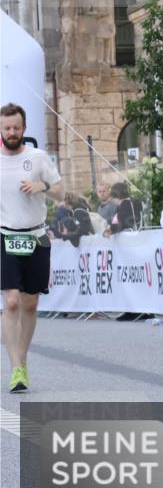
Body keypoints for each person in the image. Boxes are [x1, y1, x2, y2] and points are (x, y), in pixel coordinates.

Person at [1, 103, 63, 392]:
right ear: (1, 130)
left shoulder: (37, 157)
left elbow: (61, 190)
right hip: (5, 236)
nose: (12, 132)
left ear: (24, 129)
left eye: (16, 127)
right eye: (7, 128)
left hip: (36, 236)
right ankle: (15, 368)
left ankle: (22, 360)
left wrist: (42, 187)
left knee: (30, 302)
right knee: (11, 301)